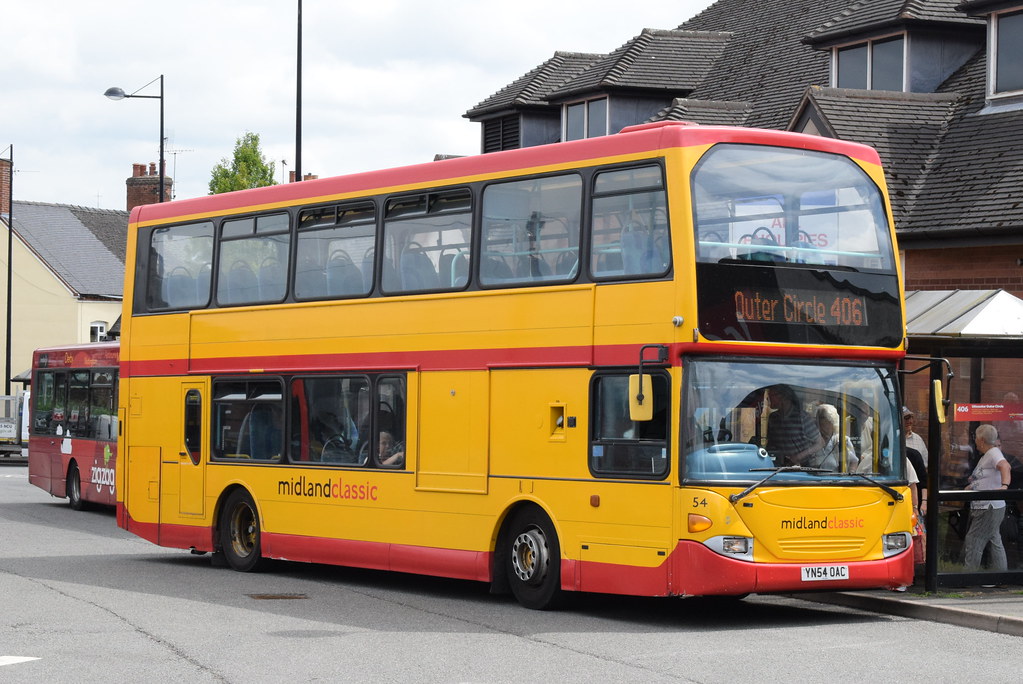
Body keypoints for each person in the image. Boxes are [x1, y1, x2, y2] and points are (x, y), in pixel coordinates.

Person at [963, 424, 1012, 572]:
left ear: (982, 440)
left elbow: (1005, 466)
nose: (975, 441)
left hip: (988, 506)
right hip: (988, 506)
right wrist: (971, 486)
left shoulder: (993, 453)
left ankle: (968, 576)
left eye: (976, 438)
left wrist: (1004, 486)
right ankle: (1000, 576)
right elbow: (983, 478)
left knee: (974, 539)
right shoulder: (988, 455)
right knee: (994, 540)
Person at [765, 384, 823, 466]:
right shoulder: (773, 418)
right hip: (779, 468)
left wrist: (798, 457)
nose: (768, 399)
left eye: (771, 395)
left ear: (783, 397)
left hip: (804, 469)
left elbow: (820, 443)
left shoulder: (802, 418)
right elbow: (771, 444)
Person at [810, 403, 858, 471]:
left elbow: (854, 461)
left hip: (835, 480)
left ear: (832, 422)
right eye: (818, 419)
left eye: (822, 418)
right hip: (812, 480)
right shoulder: (811, 440)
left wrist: (850, 475)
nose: (819, 423)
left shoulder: (843, 440)